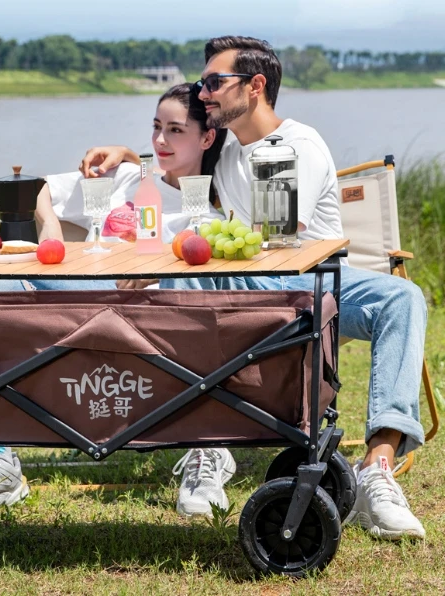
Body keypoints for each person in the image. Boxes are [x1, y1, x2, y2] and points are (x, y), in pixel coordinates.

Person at [79, 36, 427, 539]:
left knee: (402, 297)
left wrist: (180, 251)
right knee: (189, 268)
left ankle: (377, 470)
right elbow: (179, 145)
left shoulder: (295, 146)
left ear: (255, 86)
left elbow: (273, 237)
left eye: (214, 84)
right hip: (246, 281)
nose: (204, 95)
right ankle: (206, 446)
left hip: (316, 283)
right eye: (202, 84)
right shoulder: (226, 146)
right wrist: (131, 157)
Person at [0, 82, 226, 511]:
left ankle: (207, 446)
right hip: (81, 298)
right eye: (156, 127)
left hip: (143, 325)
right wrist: (53, 236)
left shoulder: (206, 214)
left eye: (175, 130)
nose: (159, 140)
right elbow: (42, 187)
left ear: (207, 138)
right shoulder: (124, 179)